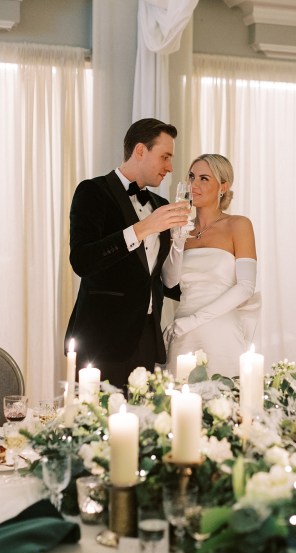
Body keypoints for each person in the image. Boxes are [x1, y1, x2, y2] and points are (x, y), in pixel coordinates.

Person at [64, 118, 191, 388]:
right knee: (94, 426)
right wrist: (143, 228)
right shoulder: (93, 191)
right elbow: (82, 261)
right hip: (101, 340)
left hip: (146, 339)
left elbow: (161, 278)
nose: (170, 167)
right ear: (141, 151)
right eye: (165, 157)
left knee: (143, 425)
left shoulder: (162, 205)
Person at [162, 153, 260, 378]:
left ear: (223, 186)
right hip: (182, 332)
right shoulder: (179, 227)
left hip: (220, 330)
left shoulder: (238, 225)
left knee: (224, 405)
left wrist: (192, 322)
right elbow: (169, 281)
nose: (194, 184)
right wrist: (177, 240)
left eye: (204, 178)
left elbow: (246, 287)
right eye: (191, 176)